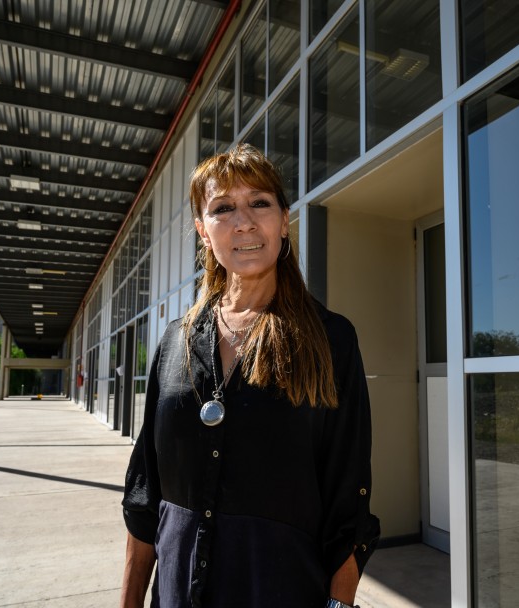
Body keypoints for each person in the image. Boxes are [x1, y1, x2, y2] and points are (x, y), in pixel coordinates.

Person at [120, 144, 380, 608]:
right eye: (223, 209)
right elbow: (145, 494)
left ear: (284, 220)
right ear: (203, 231)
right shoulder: (174, 342)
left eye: (259, 203)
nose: (244, 222)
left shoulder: (331, 339)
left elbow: (349, 501)